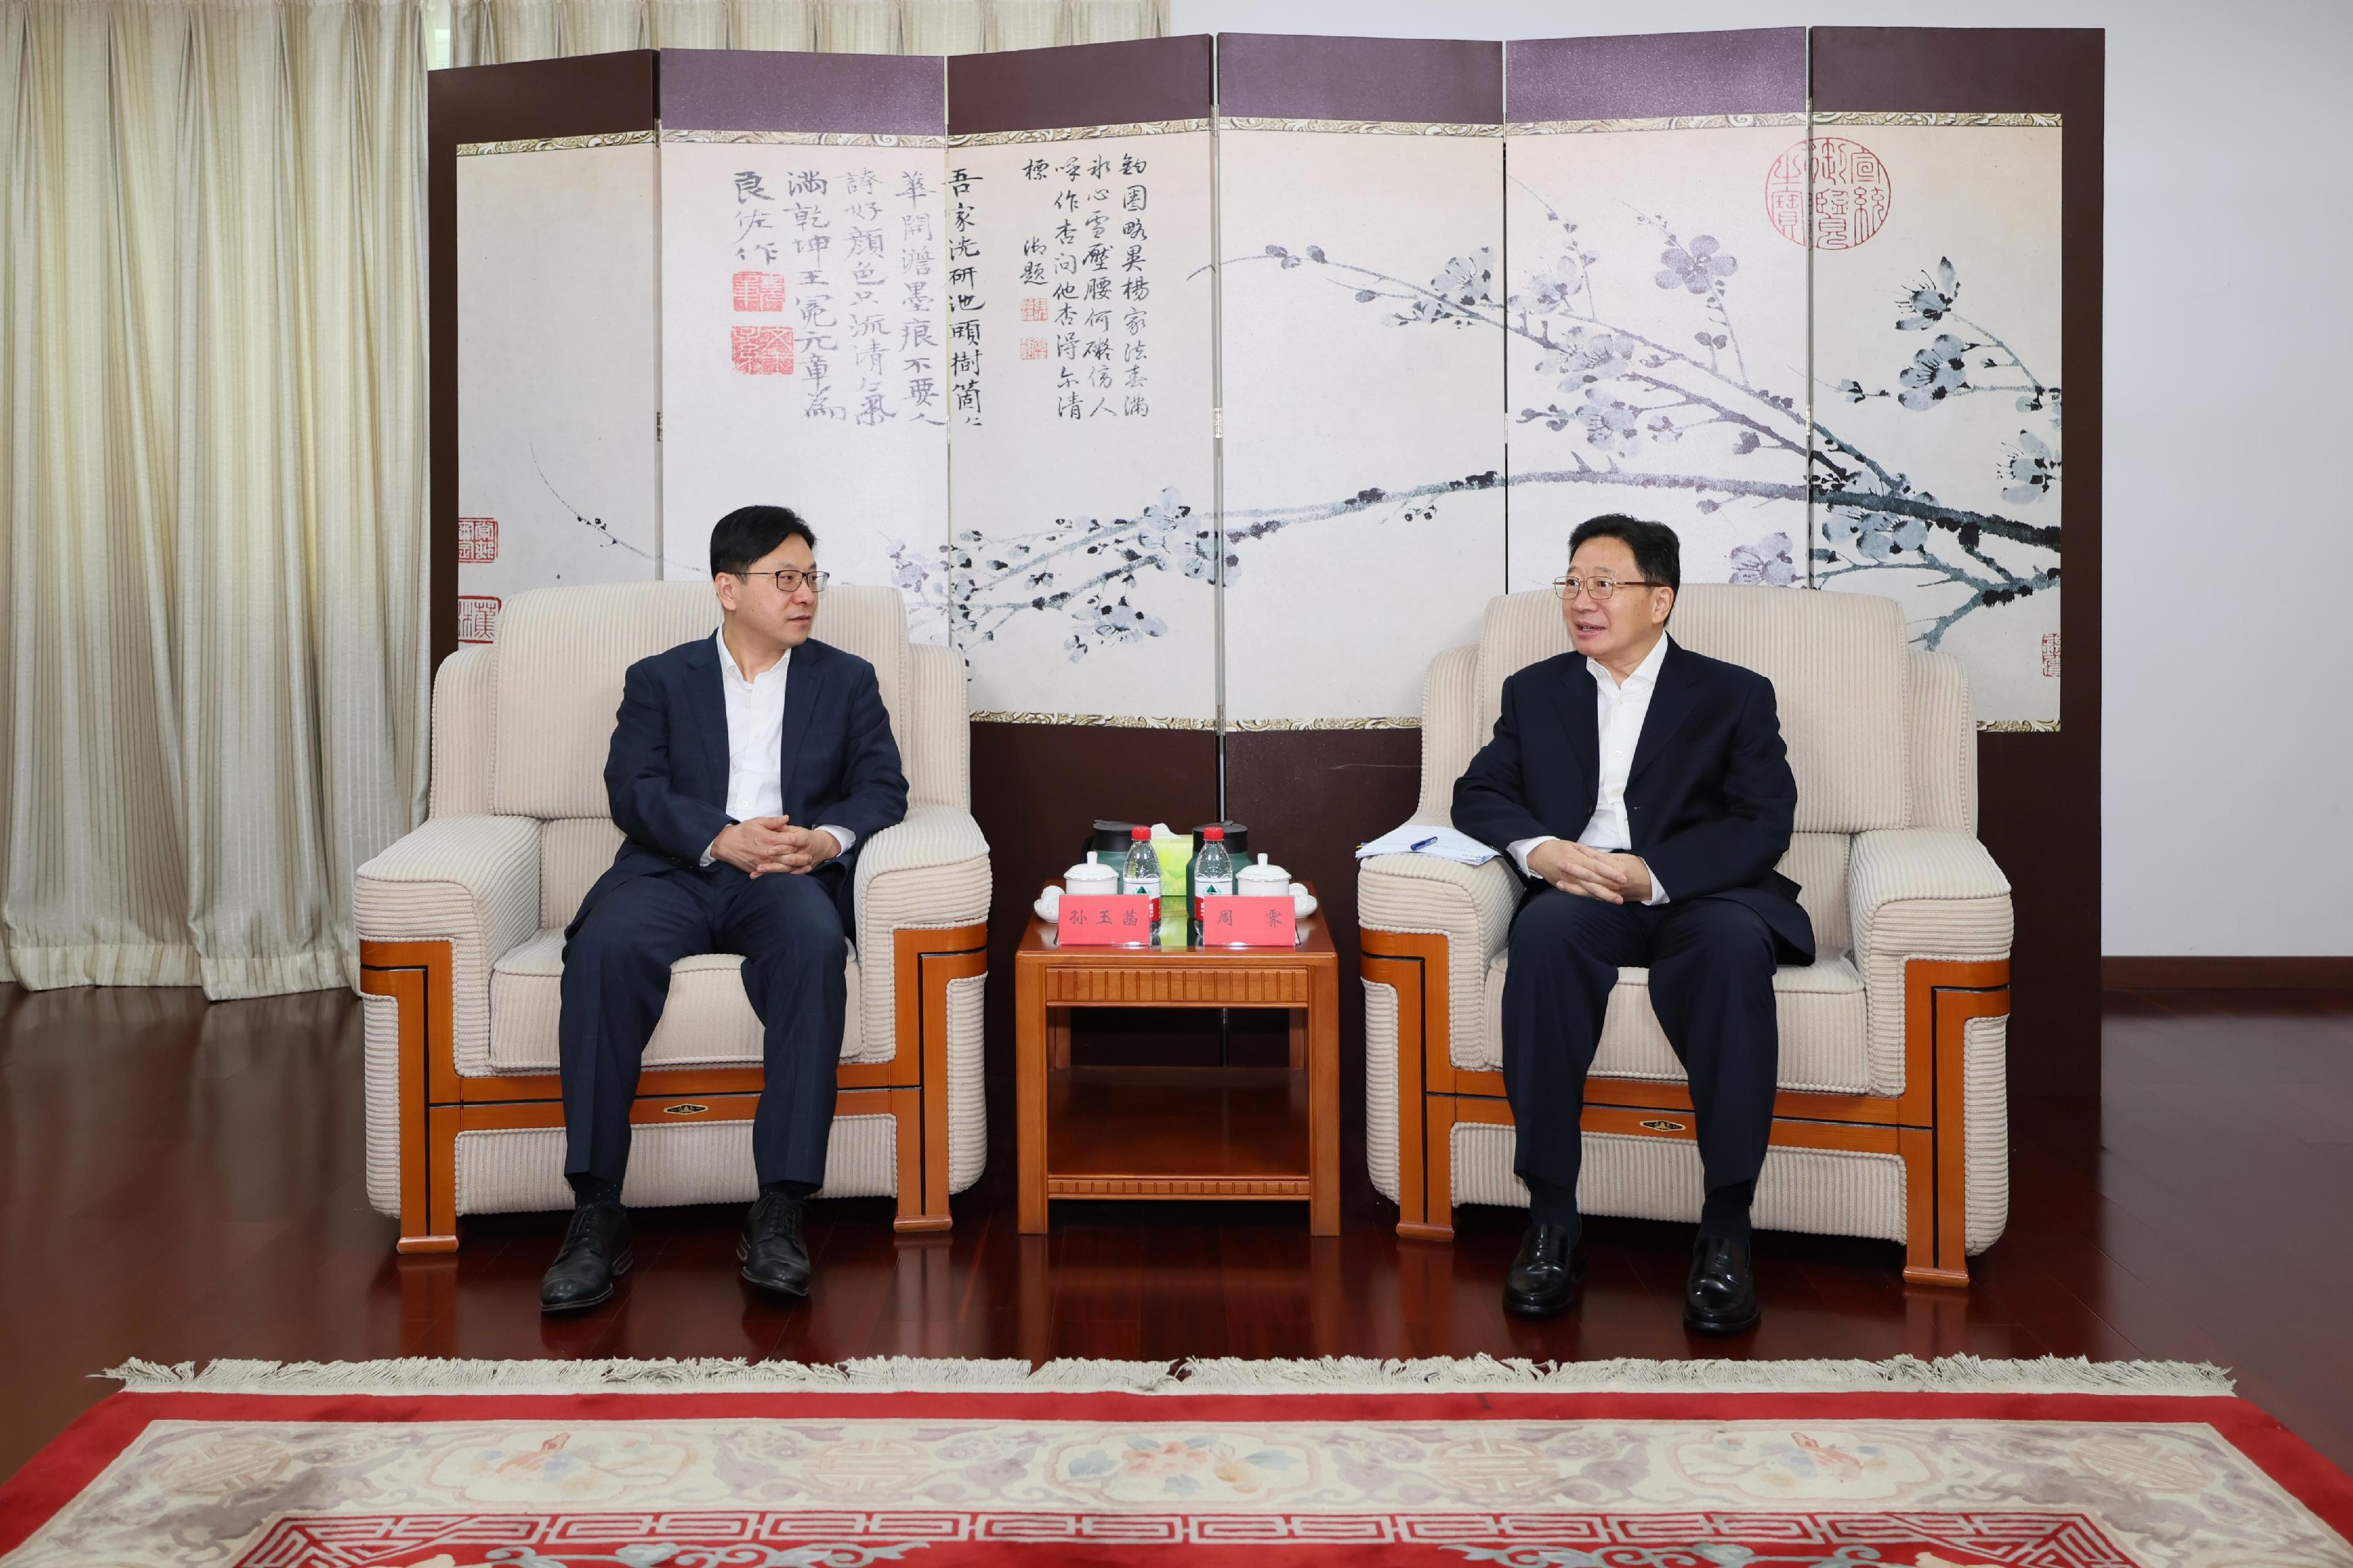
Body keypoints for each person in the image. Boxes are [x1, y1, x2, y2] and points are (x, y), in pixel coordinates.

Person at [539, 505, 909, 1313]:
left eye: (811, 576)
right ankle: (598, 1209)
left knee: (815, 949)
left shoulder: (845, 680)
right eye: (785, 578)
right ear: (728, 589)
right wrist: (719, 836)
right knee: (603, 950)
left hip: (783, 874)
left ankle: (780, 1206)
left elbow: (884, 789)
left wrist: (822, 841)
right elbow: (632, 790)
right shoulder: (661, 678)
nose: (805, 594)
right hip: (675, 868)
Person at [1452, 515, 1812, 1334]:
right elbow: (1479, 793)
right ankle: (1552, 1221)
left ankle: (1725, 1229)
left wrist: (1655, 875)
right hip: (1584, 897)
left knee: (1728, 951)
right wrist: (1544, 852)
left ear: (1660, 600)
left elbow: (1764, 824)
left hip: (1700, 897)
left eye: (1603, 584)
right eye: (1572, 582)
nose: (1581, 600)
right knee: (1540, 939)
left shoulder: (1734, 694)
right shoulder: (1536, 690)